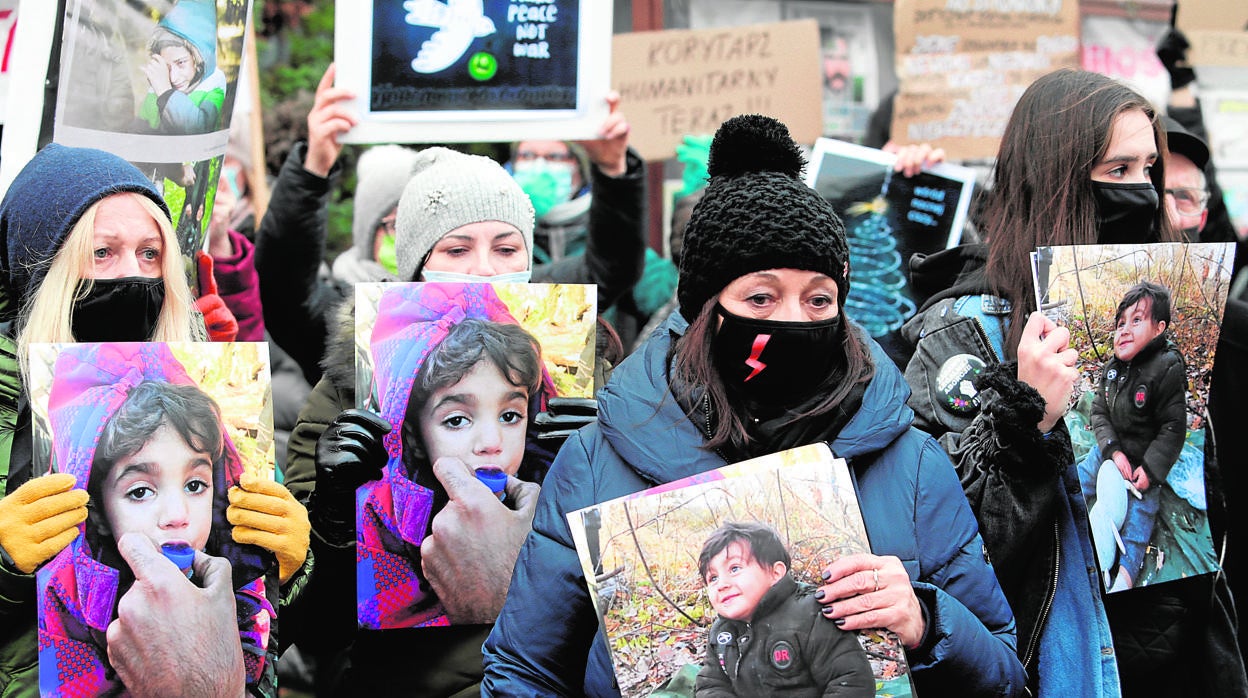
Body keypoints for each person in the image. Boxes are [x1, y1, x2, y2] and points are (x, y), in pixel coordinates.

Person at [481, 114, 1027, 696]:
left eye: (819, 300)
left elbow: (1004, 675)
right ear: (704, 312)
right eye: (761, 297)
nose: (794, 320)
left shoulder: (912, 466)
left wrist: (928, 622)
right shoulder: (595, 463)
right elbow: (524, 671)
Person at [900, 68, 1245, 696]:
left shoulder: (1160, 311)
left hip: (1183, 652)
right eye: (1116, 172)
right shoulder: (965, 332)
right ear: (1055, 179)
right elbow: (946, 547)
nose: (1140, 191)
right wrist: (1023, 420)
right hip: (1064, 663)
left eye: (1148, 172)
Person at [0, 143, 306, 697]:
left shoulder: (204, 403)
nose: (133, 275)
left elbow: (274, 635)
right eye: (102, 252)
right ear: (46, 265)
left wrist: (293, 563)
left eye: (149, 254)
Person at [255, 65, 645, 386]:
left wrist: (613, 170)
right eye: (457, 249)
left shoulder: (546, 314)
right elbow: (283, 287)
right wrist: (312, 170)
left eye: (506, 248)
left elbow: (611, 265)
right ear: (417, 259)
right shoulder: (366, 335)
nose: (485, 269)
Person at [37, 343, 275, 696]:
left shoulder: (249, 598)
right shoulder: (62, 612)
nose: (177, 516)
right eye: (140, 491)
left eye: (195, 485)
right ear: (97, 514)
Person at [354, 287, 556, 629]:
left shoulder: (554, 503)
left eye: (510, 416)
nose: (492, 443)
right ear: (413, 438)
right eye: (457, 420)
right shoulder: (372, 525)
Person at [695, 522, 874, 698]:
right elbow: (711, 684)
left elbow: (852, 680)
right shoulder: (721, 634)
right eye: (713, 578)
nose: (722, 585)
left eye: (734, 568)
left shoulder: (811, 616)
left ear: (776, 573)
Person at [1087, 282, 1186, 591]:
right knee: (1077, 476)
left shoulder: (1166, 368)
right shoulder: (1112, 370)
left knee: (1141, 515)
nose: (1124, 330)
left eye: (1137, 320)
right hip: (1113, 449)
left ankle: (1125, 577)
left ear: (1159, 329)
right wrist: (1112, 451)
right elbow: (1099, 412)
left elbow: (1173, 427)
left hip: (1144, 460)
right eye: (1121, 323)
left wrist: (1152, 470)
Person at [136, 0, 226, 136]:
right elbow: (139, 129)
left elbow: (199, 129)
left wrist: (166, 92)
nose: (173, 77)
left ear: (198, 59)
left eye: (181, 63)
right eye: (167, 67)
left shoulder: (214, 85)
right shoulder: (160, 83)